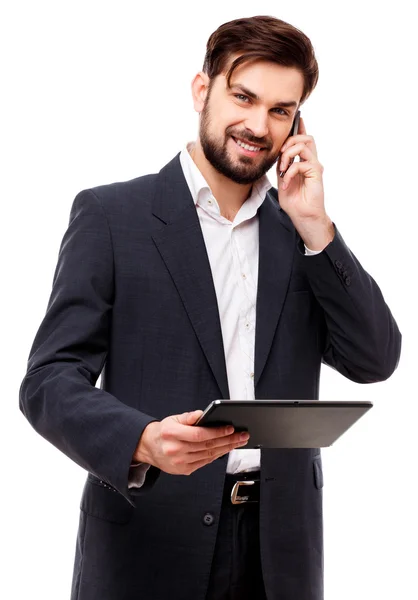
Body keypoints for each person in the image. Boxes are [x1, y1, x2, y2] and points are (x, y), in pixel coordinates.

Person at [19, 14, 401, 600]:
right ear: (203, 90)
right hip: (148, 544)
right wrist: (140, 439)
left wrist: (318, 229)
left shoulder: (299, 233)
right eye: (243, 97)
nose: (257, 125)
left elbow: (375, 358)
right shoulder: (112, 217)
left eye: (280, 109)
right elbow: (47, 381)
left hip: (281, 554)